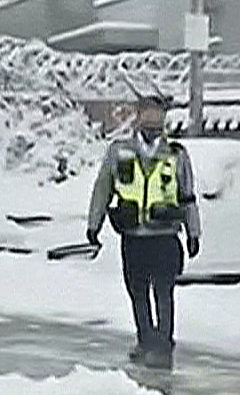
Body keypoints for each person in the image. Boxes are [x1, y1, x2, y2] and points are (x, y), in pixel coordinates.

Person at [86, 93, 201, 369]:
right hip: (133, 236)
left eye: (157, 116)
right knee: (137, 291)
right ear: (137, 117)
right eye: (147, 114)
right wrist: (94, 225)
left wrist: (193, 232)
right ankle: (145, 339)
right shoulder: (120, 152)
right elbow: (103, 189)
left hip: (164, 236)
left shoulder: (175, 155)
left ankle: (163, 342)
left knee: (164, 291)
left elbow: (187, 196)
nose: (152, 121)